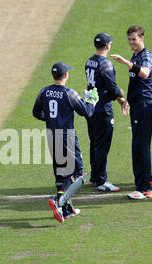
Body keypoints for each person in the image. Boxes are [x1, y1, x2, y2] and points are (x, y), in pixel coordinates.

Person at [33, 62, 97, 222]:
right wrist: (92, 101)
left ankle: (66, 210)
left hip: (51, 135)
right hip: (67, 137)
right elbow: (87, 112)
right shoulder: (70, 94)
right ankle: (58, 200)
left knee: (61, 174)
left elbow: (36, 113)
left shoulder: (44, 92)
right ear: (66, 75)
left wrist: (51, 120)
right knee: (78, 173)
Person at [110, 25, 152, 199]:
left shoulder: (145, 56)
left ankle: (145, 188)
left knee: (140, 147)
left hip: (145, 106)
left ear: (142, 38)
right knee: (140, 145)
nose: (131, 42)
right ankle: (150, 180)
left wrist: (125, 62)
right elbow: (136, 82)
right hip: (139, 105)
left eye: (134, 39)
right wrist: (128, 100)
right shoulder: (136, 55)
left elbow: (145, 73)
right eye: (129, 39)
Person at [84, 32, 129, 192]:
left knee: (94, 142)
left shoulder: (90, 61)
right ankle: (102, 181)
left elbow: (99, 87)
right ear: (108, 46)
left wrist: (119, 99)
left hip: (90, 107)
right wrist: (121, 94)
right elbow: (112, 88)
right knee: (102, 145)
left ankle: (95, 177)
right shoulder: (106, 64)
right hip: (103, 109)